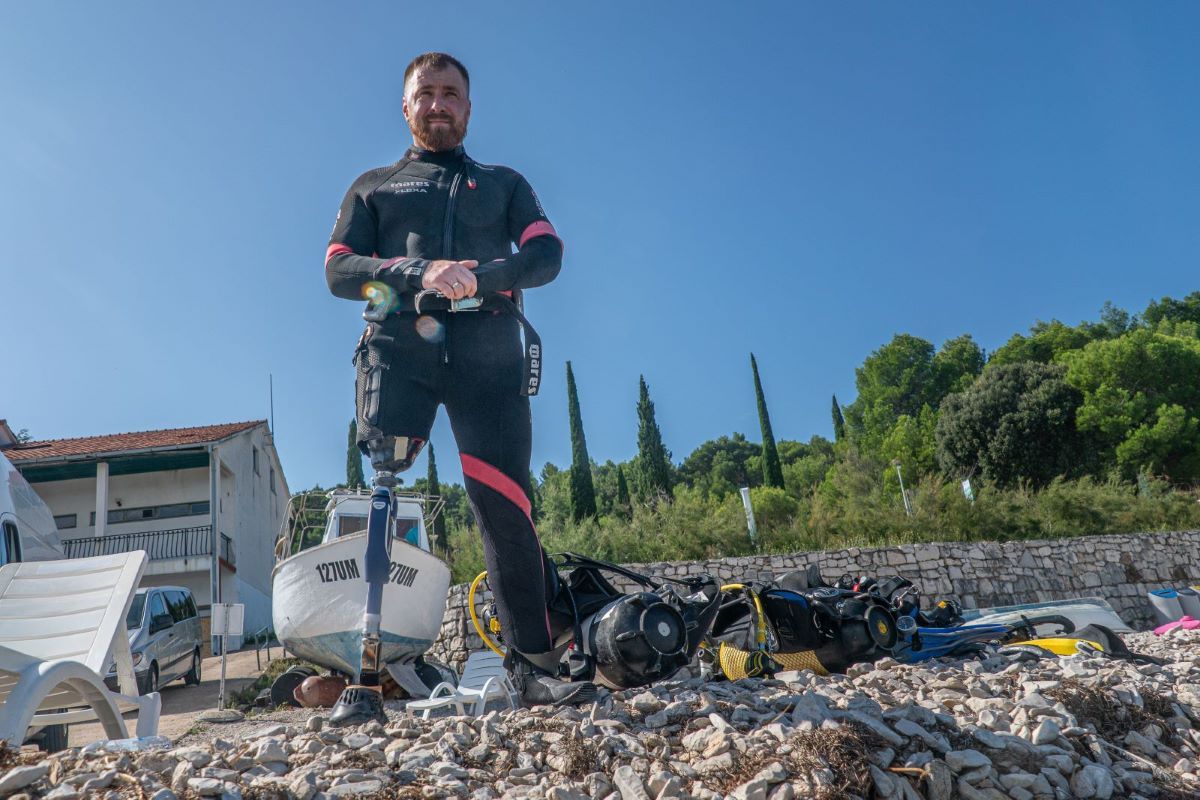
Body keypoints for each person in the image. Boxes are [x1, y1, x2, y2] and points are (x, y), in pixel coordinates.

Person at [325, 52, 594, 708]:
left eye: (451, 94)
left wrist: (482, 277)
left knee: (505, 504)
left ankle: (534, 665)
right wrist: (420, 272)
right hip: (398, 351)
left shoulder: (504, 184)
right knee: (381, 495)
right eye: (426, 94)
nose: (438, 104)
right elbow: (338, 269)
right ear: (406, 107)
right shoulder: (373, 186)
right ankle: (365, 675)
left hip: (488, 354)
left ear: (468, 108)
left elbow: (547, 254)